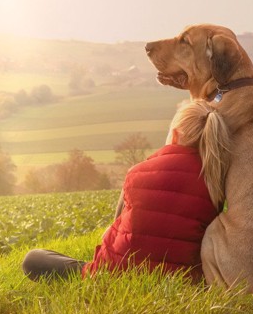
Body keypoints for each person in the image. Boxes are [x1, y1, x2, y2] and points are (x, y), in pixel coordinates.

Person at [21, 100, 231, 282]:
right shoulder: (218, 182)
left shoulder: (138, 171)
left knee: (34, 259)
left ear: (175, 135)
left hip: (110, 276)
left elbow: (116, 234)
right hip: (181, 283)